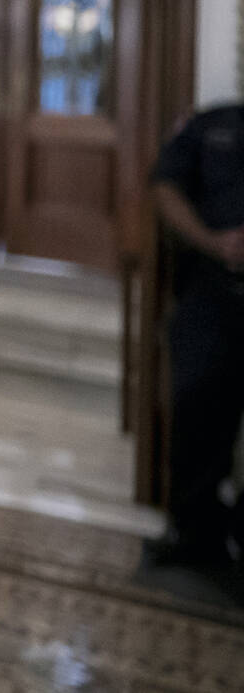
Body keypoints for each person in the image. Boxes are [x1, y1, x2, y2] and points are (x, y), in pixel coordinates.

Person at [149, 100, 244, 572]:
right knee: (197, 398)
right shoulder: (213, 126)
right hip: (214, 287)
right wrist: (213, 242)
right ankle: (193, 530)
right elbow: (165, 185)